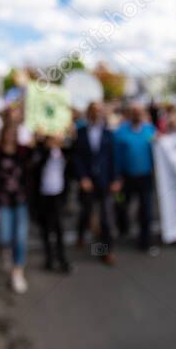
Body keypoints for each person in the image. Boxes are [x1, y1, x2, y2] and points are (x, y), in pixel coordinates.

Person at [0, 116, 33, 293]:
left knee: (20, 238)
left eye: (14, 134)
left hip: (20, 201)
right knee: (5, 237)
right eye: (8, 133)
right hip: (2, 202)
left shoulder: (25, 152)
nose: (10, 137)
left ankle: (17, 271)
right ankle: (7, 252)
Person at [72, 101, 117, 265]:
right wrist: (82, 177)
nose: (97, 113)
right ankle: (81, 233)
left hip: (104, 181)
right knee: (86, 212)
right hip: (88, 182)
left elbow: (112, 158)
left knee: (106, 218)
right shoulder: (81, 132)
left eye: (99, 110)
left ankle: (106, 251)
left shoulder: (108, 134)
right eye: (94, 111)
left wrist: (115, 179)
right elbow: (76, 157)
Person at [113, 103, 159, 254]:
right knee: (121, 205)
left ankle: (145, 242)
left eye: (139, 111)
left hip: (145, 177)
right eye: (134, 111)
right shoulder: (120, 132)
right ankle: (123, 229)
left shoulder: (150, 130)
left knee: (146, 210)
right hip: (126, 177)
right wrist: (117, 177)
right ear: (129, 114)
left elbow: (158, 150)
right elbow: (116, 156)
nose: (137, 114)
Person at [33, 133, 71, 273]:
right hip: (44, 196)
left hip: (58, 195)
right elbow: (36, 167)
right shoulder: (42, 152)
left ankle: (62, 259)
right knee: (46, 229)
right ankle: (49, 258)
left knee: (59, 229)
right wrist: (45, 147)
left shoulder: (63, 153)